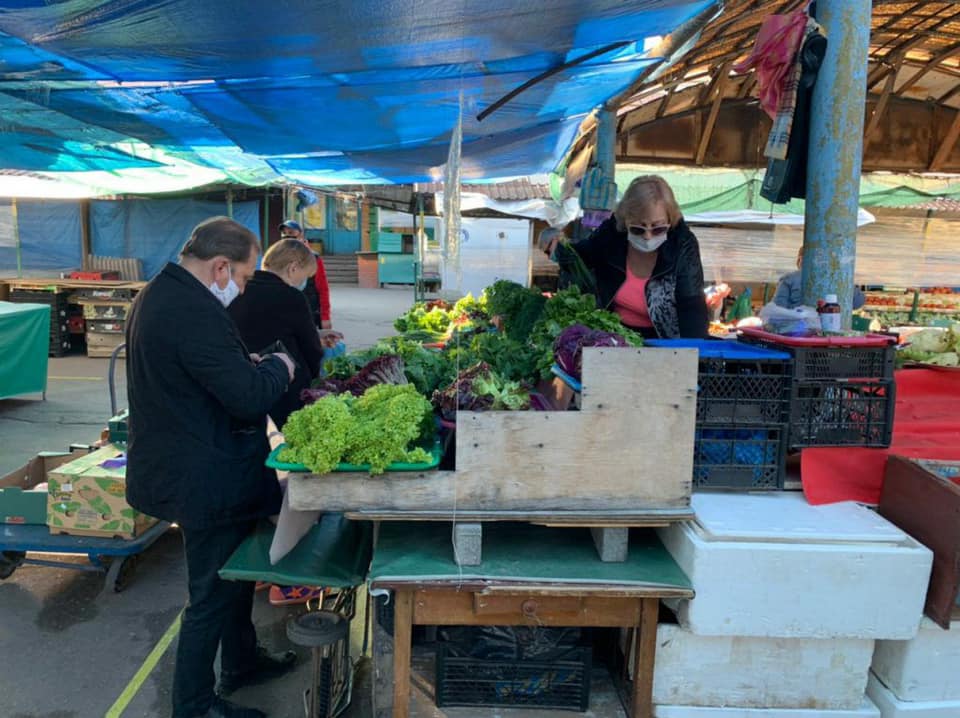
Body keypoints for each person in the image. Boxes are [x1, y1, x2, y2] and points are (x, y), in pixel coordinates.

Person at [126, 217, 299, 718]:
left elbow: (198, 369)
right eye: (243, 278)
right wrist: (276, 368)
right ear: (220, 266)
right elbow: (247, 399)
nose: (241, 290)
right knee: (209, 595)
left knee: (232, 580)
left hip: (193, 460)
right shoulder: (190, 309)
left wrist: (237, 359)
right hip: (202, 474)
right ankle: (194, 705)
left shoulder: (162, 292)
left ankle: (242, 663)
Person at [547, 175, 708, 338]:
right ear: (625, 221)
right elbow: (583, 257)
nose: (647, 236)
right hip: (614, 337)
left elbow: (692, 306)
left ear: (670, 220)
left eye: (658, 228)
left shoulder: (683, 245)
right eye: (638, 228)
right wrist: (556, 249)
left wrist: (693, 353)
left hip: (665, 342)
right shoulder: (611, 234)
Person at [228, 239, 324, 430]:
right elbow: (311, 347)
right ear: (293, 268)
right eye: (306, 276)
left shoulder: (237, 289)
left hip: (242, 379)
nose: (304, 282)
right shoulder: (292, 297)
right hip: (286, 385)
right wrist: (315, 377)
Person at [278, 219, 333, 330]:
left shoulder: (313, 258)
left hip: (309, 313)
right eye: (284, 233)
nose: (287, 236)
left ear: (300, 234)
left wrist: (325, 317)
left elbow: (323, 289)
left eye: (291, 233)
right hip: (284, 314)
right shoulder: (278, 258)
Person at [774, 245, 865, 310]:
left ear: (801, 259)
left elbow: (778, 307)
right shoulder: (840, 279)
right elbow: (858, 303)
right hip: (833, 330)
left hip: (798, 330)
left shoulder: (789, 279)